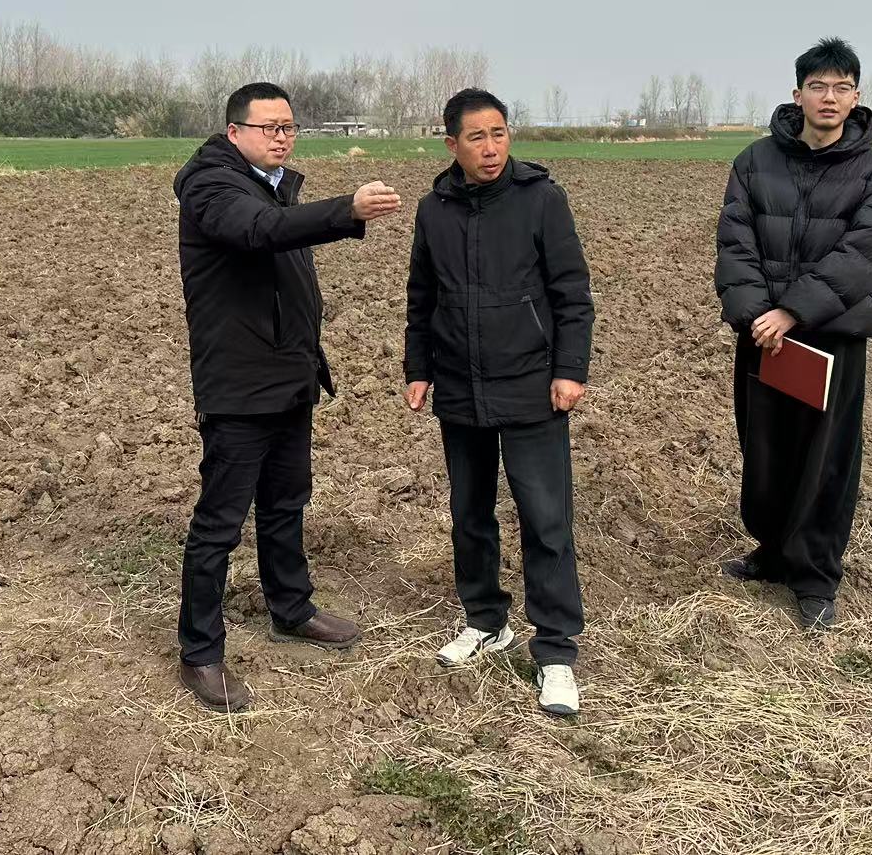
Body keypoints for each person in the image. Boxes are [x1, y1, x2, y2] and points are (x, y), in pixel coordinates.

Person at [172, 81, 402, 710]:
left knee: (284, 503)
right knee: (219, 524)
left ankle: (291, 608)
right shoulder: (212, 187)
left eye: (289, 127)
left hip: (290, 378)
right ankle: (200, 652)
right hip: (240, 387)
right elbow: (259, 232)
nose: (281, 137)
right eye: (269, 127)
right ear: (234, 132)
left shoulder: (271, 185)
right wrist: (346, 210)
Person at [403, 88, 594, 716]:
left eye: (500, 133)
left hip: (532, 385)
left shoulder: (541, 199)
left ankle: (556, 651)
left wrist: (569, 370)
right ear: (451, 144)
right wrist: (418, 369)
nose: (491, 148)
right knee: (470, 513)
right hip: (460, 386)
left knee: (545, 518)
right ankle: (486, 619)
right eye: (477, 137)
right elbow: (422, 296)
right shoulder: (433, 210)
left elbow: (572, 293)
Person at [714, 37, 872, 630]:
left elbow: (862, 257)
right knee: (766, 451)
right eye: (818, 86)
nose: (829, 97)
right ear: (797, 95)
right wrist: (757, 316)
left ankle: (816, 575)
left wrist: (792, 312)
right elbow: (735, 243)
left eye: (841, 87)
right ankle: (772, 552)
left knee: (825, 459)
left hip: (830, 338)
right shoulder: (754, 162)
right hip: (763, 335)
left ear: (856, 98)